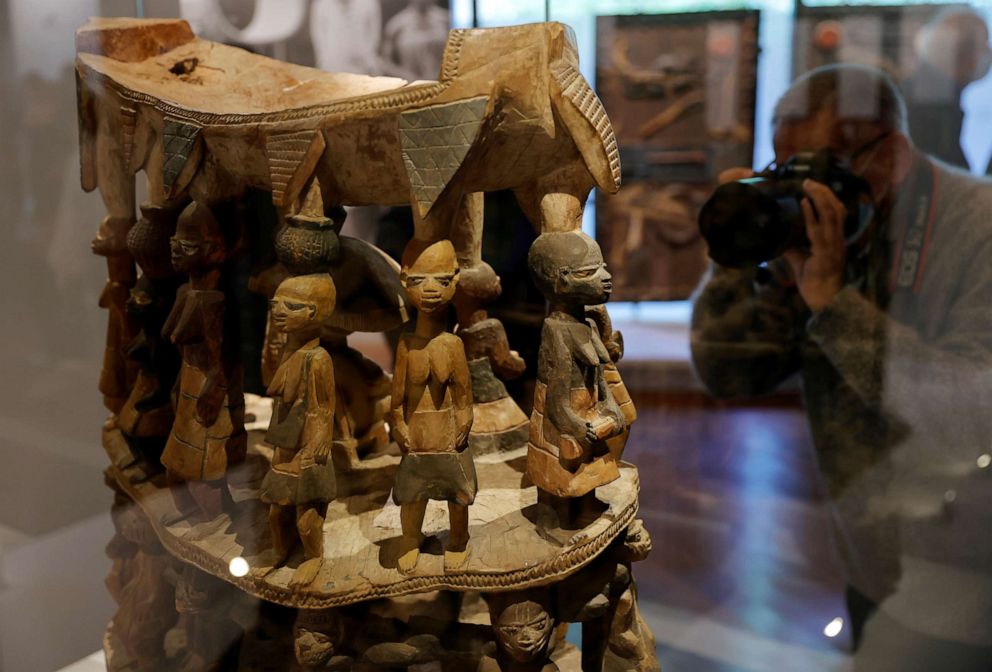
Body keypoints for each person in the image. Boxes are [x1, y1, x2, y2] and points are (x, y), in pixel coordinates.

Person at [691, 64, 992, 670]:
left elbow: (973, 418)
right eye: (788, 172)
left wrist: (833, 304)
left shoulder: (979, 226)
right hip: (866, 555)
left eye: (818, 171)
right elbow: (728, 373)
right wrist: (743, 249)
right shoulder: (817, 234)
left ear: (892, 154)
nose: (807, 195)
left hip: (970, 569)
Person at [902, 6, 991, 170]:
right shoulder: (929, 104)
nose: (989, 55)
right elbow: (944, 184)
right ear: (962, 53)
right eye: (984, 46)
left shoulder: (936, 97)